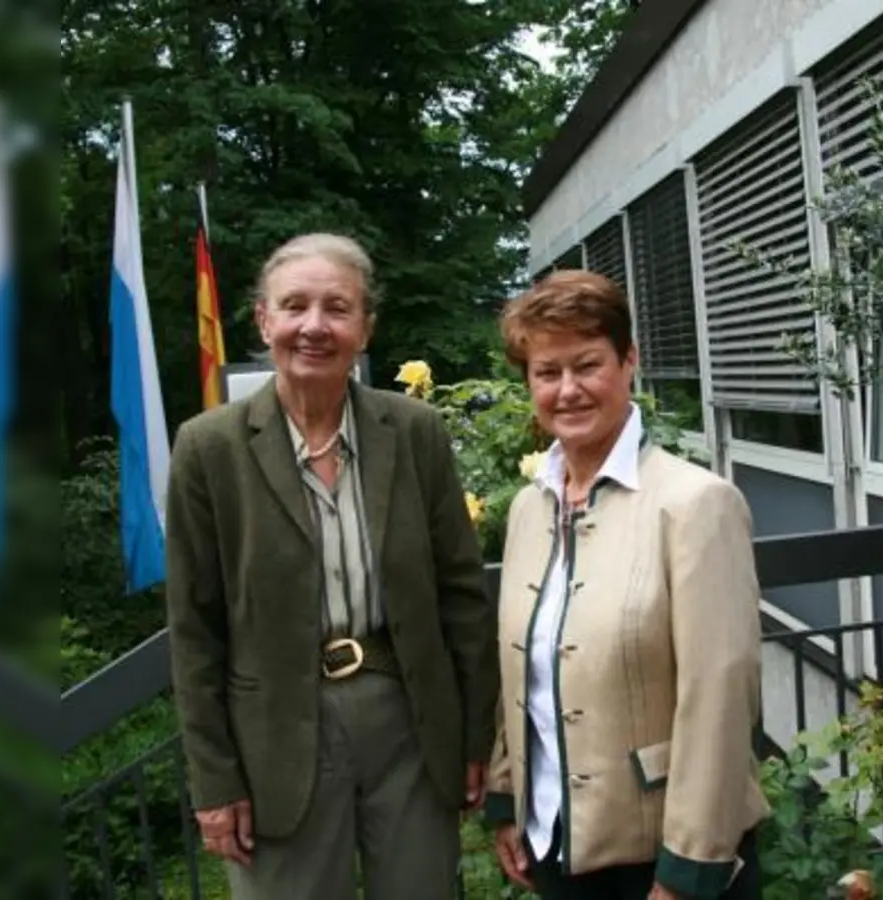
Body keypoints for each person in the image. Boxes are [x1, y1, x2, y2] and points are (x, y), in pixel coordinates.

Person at [165, 232, 498, 899]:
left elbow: (461, 594)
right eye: (295, 306)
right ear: (264, 320)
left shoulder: (415, 432)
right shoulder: (209, 449)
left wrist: (473, 737)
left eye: (337, 308)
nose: (314, 325)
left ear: (365, 327)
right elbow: (194, 629)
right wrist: (215, 781)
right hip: (275, 737)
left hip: (408, 722)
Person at [484, 270, 769, 899]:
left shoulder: (695, 504)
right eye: (546, 372)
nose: (567, 390)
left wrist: (688, 871)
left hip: (662, 860)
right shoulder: (530, 510)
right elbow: (521, 668)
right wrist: (508, 796)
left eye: (587, 364)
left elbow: (719, 698)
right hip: (556, 846)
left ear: (629, 361)